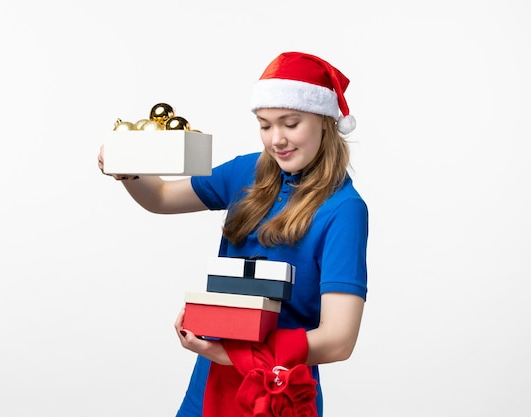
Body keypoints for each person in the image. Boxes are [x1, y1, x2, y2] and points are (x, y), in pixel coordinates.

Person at [98, 51, 368, 417]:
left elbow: (338, 340)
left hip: (278, 390)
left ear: (324, 121)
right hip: (209, 382)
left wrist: (235, 355)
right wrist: (126, 169)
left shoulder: (344, 208)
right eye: (265, 124)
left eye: (290, 123)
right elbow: (161, 196)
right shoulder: (247, 172)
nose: (277, 140)